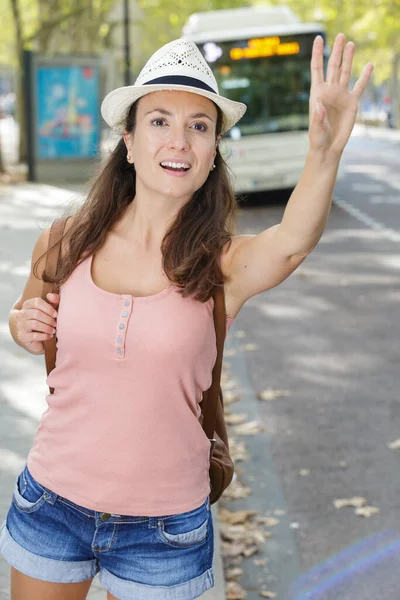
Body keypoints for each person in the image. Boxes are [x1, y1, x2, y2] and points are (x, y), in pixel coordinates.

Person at [0, 35, 373, 600]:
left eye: (199, 126)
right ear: (127, 140)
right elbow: (27, 318)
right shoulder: (66, 243)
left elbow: (292, 243)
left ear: (212, 152)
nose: (178, 139)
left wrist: (324, 151)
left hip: (164, 531)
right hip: (52, 504)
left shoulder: (221, 265)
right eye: (159, 121)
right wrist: (20, 325)